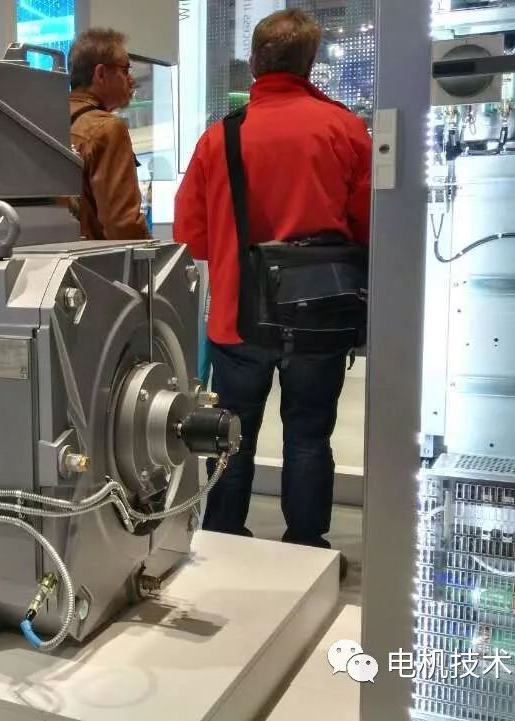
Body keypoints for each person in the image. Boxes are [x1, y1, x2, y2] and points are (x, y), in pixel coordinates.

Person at [173, 9, 370, 560]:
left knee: (230, 435)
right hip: (320, 313)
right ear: (310, 61)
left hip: (238, 317)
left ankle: (223, 540)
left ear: (255, 61)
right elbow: (368, 229)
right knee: (309, 435)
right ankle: (306, 547)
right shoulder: (345, 130)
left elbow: (192, 237)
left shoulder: (219, 139)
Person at [66, 28, 149, 241]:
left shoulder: (45, 121)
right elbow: (122, 226)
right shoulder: (107, 128)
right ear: (101, 74)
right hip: (94, 259)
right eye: (125, 70)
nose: (131, 80)